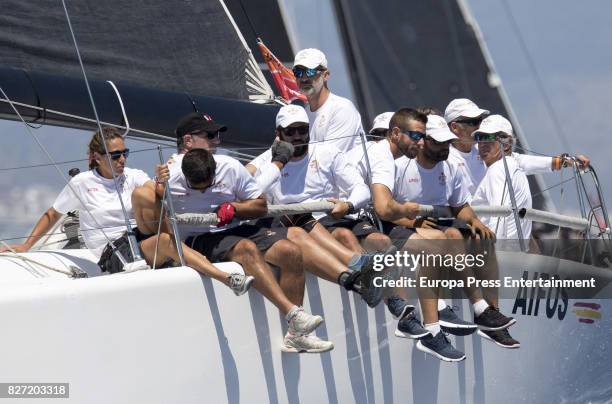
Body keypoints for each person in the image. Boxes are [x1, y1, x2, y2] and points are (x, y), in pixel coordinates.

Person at [0, 128, 254, 295]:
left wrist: (162, 182)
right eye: (115, 155)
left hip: (137, 237)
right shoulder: (82, 183)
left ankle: (181, 256)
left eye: (125, 153)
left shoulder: (132, 175)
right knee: (165, 241)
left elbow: (154, 195)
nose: (122, 160)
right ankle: (225, 278)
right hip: (112, 253)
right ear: (96, 158)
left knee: (145, 194)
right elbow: (52, 214)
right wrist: (25, 246)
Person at [163, 148, 333, 353]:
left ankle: (297, 336)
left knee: (291, 251)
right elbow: (149, 205)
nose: (202, 192)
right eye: (195, 188)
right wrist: (157, 184)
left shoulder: (231, 168)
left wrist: (235, 208)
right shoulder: (168, 176)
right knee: (246, 248)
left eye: (207, 186)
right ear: (185, 176)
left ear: (215, 171)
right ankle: (293, 314)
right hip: (198, 237)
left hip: (234, 227)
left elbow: (260, 206)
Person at [392, 114, 518, 354]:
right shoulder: (400, 166)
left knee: (483, 239)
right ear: (423, 141)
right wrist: (412, 221)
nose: (444, 148)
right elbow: (384, 210)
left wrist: (474, 221)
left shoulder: (451, 167)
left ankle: (490, 317)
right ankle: (471, 309)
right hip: (406, 227)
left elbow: (460, 205)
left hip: (441, 225)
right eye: (438, 142)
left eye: (447, 142)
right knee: (450, 236)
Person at [246, 104, 392, 308]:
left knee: (351, 236)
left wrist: (348, 205)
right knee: (298, 215)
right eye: (290, 131)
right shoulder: (267, 161)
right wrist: (279, 161)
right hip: (290, 224)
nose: (297, 136)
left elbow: (362, 190)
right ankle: (362, 267)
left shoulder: (327, 152)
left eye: (302, 130)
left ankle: (395, 305)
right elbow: (248, 190)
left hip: (325, 221)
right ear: (278, 134)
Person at [444, 98, 590, 196]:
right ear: (455, 127)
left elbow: (520, 161)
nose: (479, 126)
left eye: (480, 120)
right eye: (473, 122)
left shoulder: (483, 150)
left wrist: (567, 162)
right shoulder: (444, 159)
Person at [472, 115, 532, 241]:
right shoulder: (515, 168)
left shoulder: (497, 169)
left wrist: (496, 252)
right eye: (479, 137)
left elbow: (499, 214)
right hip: (515, 250)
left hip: (495, 250)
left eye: (488, 137)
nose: (482, 144)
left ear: (506, 144)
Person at [293, 48, 364, 152]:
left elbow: (327, 160)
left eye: (310, 72)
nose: (303, 78)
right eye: (298, 72)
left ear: (325, 75)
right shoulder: (303, 116)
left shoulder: (342, 109)